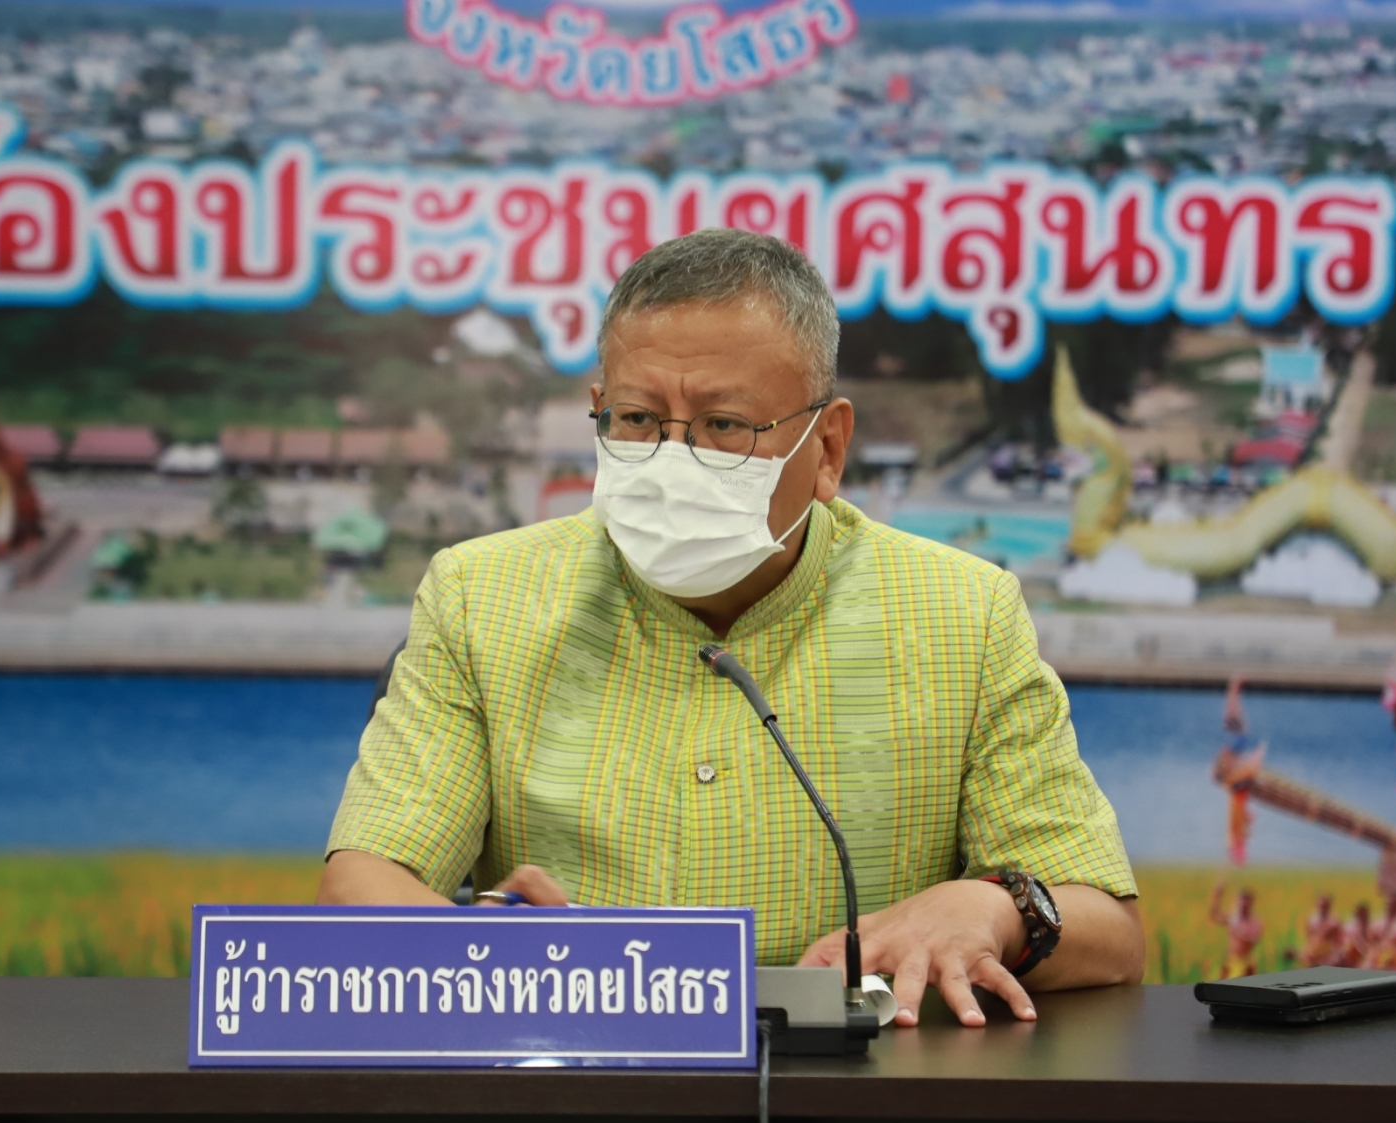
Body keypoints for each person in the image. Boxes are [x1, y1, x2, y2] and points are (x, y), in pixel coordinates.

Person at [319, 229, 1141, 1027]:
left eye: (723, 425)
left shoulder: (963, 613)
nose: (672, 461)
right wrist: (480, 951)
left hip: (869, 1095)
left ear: (828, 447)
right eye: (638, 419)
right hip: (575, 1081)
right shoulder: (480, 597)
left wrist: (993, 909)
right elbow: (363, 881)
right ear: (598, 413)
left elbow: (1109, 929)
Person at [1208, 884, 1263, 979]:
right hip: (1230, 960)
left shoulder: (1255, 922)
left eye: (1246, 901)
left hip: (1245, 962)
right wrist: (1217, 896)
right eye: (1241, 900)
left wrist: (1237, 931)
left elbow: (1253, 939)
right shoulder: (1233, 918)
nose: (1243, 904)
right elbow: (1214, 916)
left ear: (1251, 903)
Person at [1301, 893, 1343, 968]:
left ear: (1329, 906)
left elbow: (1338, 943)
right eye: (1321, 905)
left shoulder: (1334, 922)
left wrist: (1337, 955)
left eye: (1325, 905)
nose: (1323, 907)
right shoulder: (1311, 921)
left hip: (1329, 957)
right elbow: (1309, 940)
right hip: (1313, 955)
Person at [1338, 900, 1373, 968]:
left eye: (1364, 913)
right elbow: (1344, 942)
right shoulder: (1349, 926)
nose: (1362, 916)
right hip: (1352, 955)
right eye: (1360, 913)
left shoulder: (1372, 927)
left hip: (1367, 955)